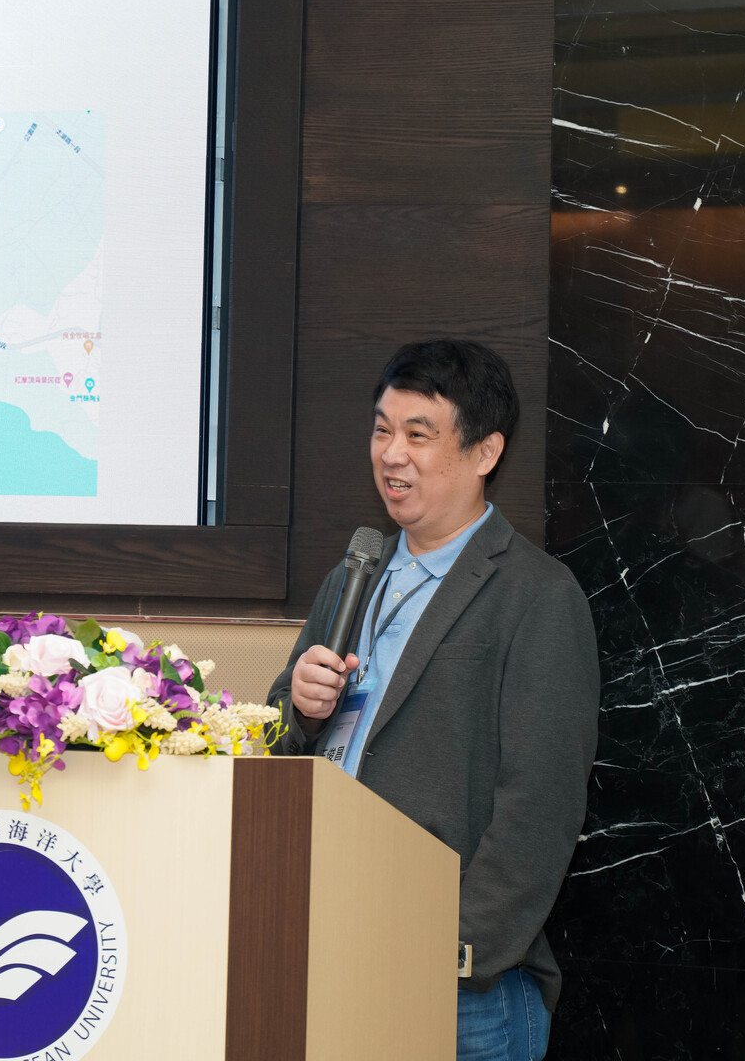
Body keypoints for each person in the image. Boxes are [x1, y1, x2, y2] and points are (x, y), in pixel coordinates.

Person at [266, 339, 599, 1061]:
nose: (392, 455)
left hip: (457, 985)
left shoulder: (536, 596)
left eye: (419, 435)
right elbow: (278, 733)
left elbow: (540, 804)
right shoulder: (354, 574)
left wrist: (451, 949)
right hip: (333, 944)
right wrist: (300, 708)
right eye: (382, 430)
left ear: (485, 452)